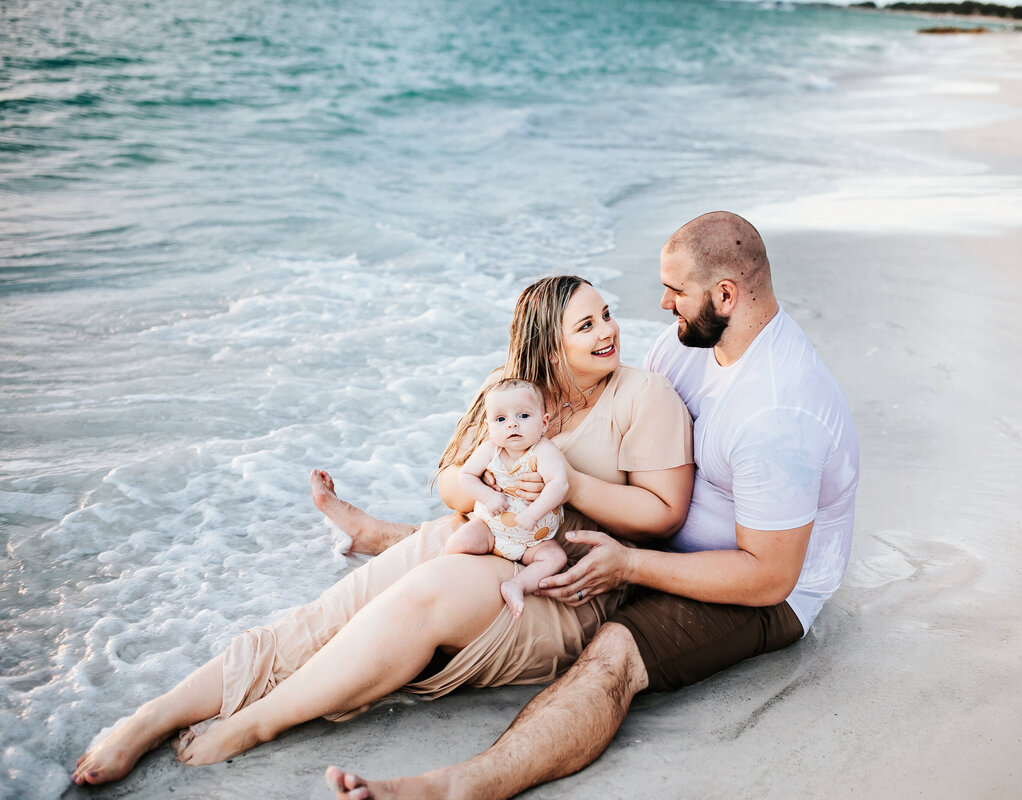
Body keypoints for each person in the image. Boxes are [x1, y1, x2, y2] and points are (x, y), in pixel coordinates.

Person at [71, 275, 694, 786]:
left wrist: (570, 485)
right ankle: (154, 716)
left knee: (428, 590)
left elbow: (664, 512)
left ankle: (257, 722)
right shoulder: (512, 394)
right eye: (586, 325)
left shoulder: (643, 396)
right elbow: (452, 478)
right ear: (548, 346)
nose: (609, 330)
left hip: (567, 584)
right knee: (327, 614)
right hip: (489, 536)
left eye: (605, 315)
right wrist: (487, 489)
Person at [325, 211, 860, 800]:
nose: (662, 303)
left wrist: (629, 565)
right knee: (497, 527)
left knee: (614, 655)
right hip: (662, 540)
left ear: (725, 295)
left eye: (676, 291)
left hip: (754, 590)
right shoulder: (688, 345)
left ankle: (463, 785)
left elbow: (770, 577)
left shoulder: (777, 412)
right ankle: (382, 537)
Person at [445, 377, 569, 618]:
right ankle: (450, 574)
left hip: (532, 541)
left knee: (556, 557)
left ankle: (517, 585)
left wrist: (533, 514)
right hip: (491, 530)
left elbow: (559, 485)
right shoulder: (491, 449)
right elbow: (466, 476)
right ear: (489, 425)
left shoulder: (543, 451)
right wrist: (488, 496)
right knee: (460, 542)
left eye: (523, 416)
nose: (512, 425)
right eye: (501, 419)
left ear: (544, 422)